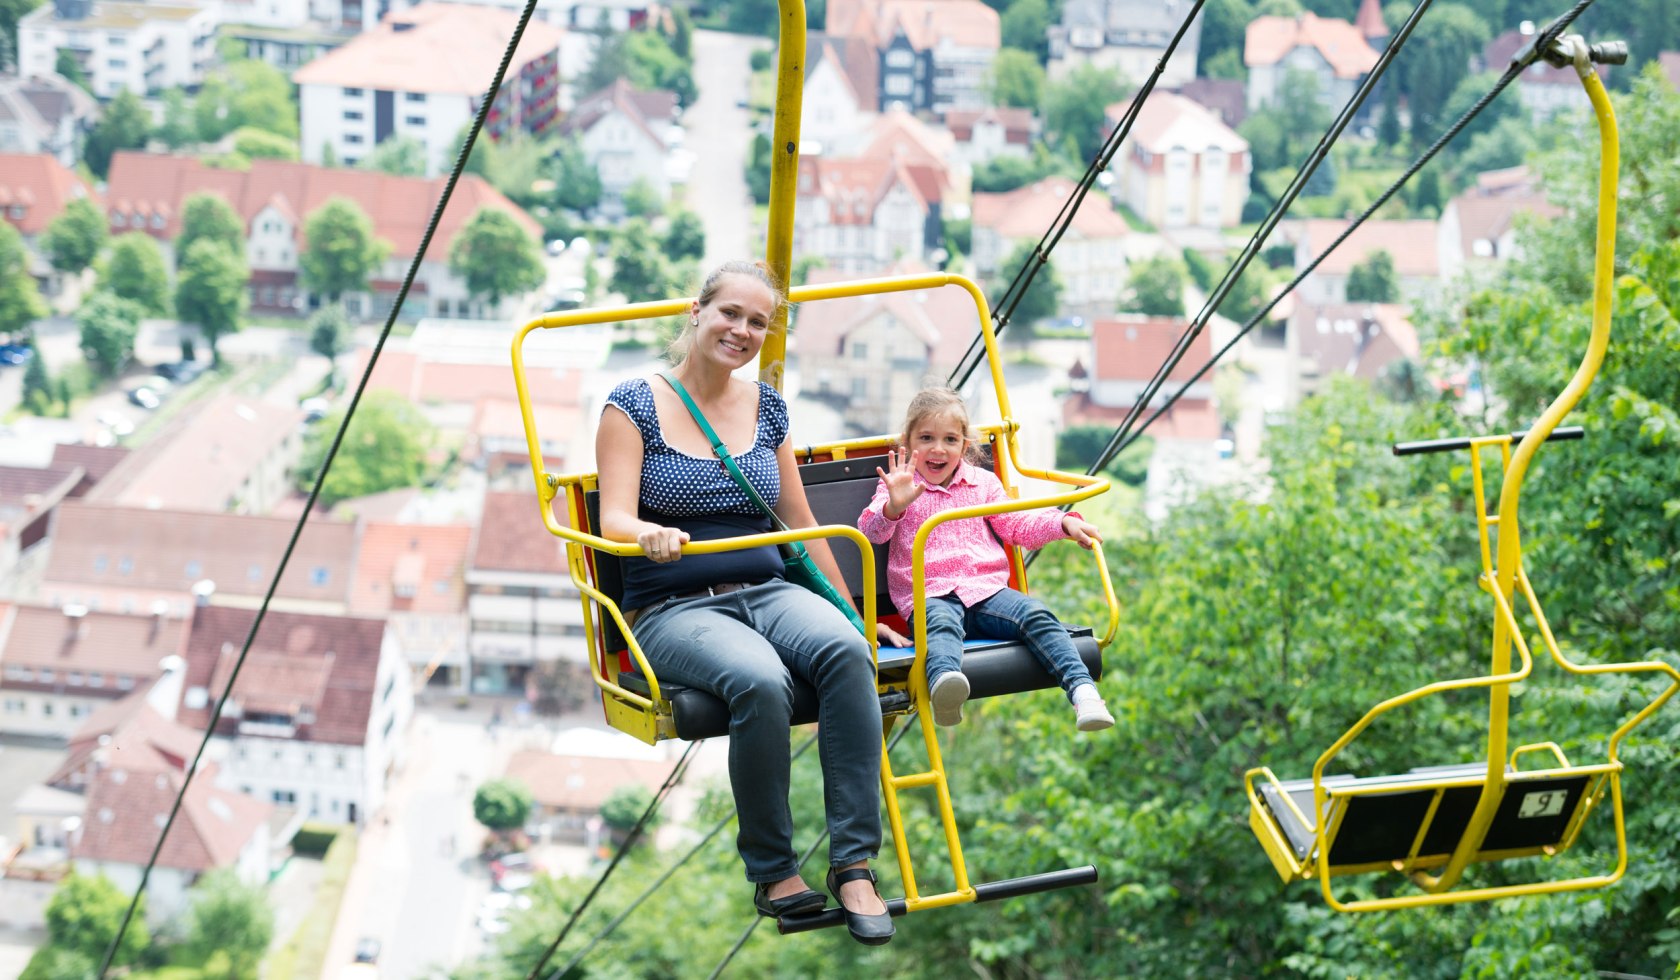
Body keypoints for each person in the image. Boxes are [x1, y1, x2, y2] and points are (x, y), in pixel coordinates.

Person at [595, 260, 894, 945]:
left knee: (848, 654)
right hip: (675, 606)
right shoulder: (632, 405)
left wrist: (850, 608)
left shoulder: (768, 409)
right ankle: (773, 868)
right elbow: (612, 519)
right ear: (695, 312)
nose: (742, 330)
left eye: (758, 322)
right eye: (731, 313)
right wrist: (650, 533)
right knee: (759, 681)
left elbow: (800, 519)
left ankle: (853, 863)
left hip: (767, 588)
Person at [858, 386, 1116, 732]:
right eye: (926, 438)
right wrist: (894, 506)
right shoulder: (900, 485)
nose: (938, 449)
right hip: (930, 595)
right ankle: (946, 685)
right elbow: (871, 532)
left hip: (986, 592)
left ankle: (1084, 693)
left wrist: (1063, 523)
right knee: (940, 626)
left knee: (1035, 614)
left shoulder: (983, 484)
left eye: (950, 439)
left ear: (965, 446)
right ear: (908, 444)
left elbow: (1016, 523)